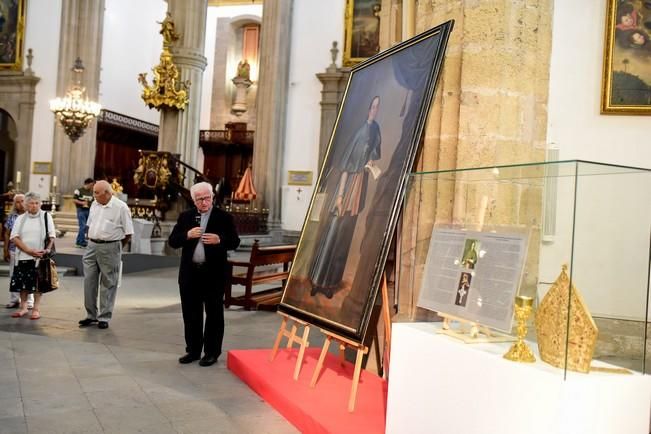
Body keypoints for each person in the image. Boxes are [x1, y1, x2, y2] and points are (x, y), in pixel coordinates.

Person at [309, 95, 381, 298]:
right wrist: (340, 197)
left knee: (344, 238)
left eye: (378, 107)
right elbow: (345, 169)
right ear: (368, 109)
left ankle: (331, 283)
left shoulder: (375, 130)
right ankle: (318, 281)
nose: (375, 110)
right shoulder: (360, 133)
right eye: (373, 106)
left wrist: (370, 165)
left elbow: (374, 155)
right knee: (332, 234)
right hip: (346, 188)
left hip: (359, 187)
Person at [168, 181, 240, 366]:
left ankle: (211, 352)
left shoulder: (223, 217)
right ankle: (192, 350)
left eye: (207, 198)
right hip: (190, 274)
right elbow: (173, 241)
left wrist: (219, 239)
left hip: (213, 275)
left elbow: (234, 242)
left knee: (214, 314)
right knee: (191, 314)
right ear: (193, 200)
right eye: (199, 199)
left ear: (212, 197)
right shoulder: (186, 217)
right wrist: (187, 235)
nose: (204, 202)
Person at [78, 180, 134, 330]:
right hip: (92, 246)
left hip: (110, 246)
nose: (93, 195)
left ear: (108, 193)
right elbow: (90, 224)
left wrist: (116, 248)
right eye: (93, 192)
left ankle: (104, 316)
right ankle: (91, 315)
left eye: (96, 193)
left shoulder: (121, 207)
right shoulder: (95, 204)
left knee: (108, 282)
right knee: (89, 280)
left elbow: (128, 233)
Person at [9, 192, 55, 320]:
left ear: (40, 204)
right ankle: (23, 308)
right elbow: (14, 237)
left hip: (39, 257)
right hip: (23, 256)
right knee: (23, 284)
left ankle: (36, 309)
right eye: (31, 203)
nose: (34, 206)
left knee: (37, 284)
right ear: (26, 204)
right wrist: (29, 251)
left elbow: (51, 236)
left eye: (36, 203)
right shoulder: (21, 218)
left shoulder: (47, 216)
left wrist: (47, 250)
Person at [4, 194, 34, 309]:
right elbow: (7, 234)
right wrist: (5, 250)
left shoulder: (31, 216)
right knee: (13, 275)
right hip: (14, 250)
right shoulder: (12, 216)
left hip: (28, 250)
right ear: (14, 204)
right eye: (17, 202)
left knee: (29, 275)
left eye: (22, 201)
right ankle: (15, 299)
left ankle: (30, 301)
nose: (20, 204)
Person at [73, 178, 94, 248]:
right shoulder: (78, 191)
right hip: (81, 210)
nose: (92, 186)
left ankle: (79, 241)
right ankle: (81, 242)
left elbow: (93, 201)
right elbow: (74, 200)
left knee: (87, 227)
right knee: (82, 226)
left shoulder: (91, 192)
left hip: (89, 210)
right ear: (87, 184)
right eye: (91, 185)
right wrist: (82, 203)